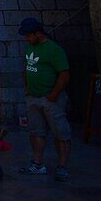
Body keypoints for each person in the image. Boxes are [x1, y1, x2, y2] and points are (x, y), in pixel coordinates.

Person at [18, 17, 72, 181]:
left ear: (38, 33)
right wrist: (27, 88)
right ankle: (37, 163)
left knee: (60, 133)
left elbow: (64, 73)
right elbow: (27, 68)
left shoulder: (54, 50)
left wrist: (54, 94)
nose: (27, 38)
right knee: (36, 132)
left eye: (29, 35)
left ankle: (62, 166)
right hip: (33, 97)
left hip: (50, 98)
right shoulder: (30, 47)